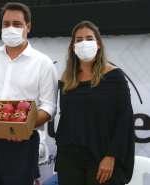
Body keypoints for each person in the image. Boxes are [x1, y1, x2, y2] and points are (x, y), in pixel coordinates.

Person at [0, 2, 58, 185]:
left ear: (28, 27)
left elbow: (49, 107)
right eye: (6, 24)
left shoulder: (43, 63)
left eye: (17, 24)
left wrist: (25, 125)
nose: (10, 28)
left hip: (22, 142)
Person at [55, 21, 134, 185]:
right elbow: (67, 117)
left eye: (89, 38)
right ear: (73, 46)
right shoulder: (66, 79)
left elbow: (124, 119)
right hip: (69, 158)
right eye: (79, 39)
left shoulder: (114, 76)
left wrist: (112, 156)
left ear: (98, 44)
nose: (84, 43)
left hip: (101, 155)